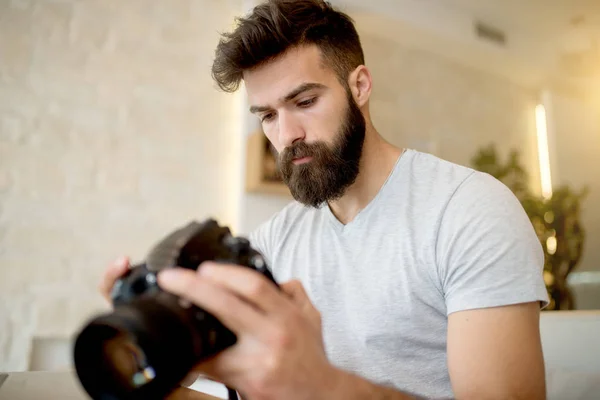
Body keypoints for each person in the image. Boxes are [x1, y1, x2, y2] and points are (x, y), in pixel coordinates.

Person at [100, 1, 549, 399]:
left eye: (305, 101)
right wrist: (146, 371)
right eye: (269, 116)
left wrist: (320, 384)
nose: (286, 135)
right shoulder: (272, 242)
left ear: (360, 86)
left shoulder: (468, 209)